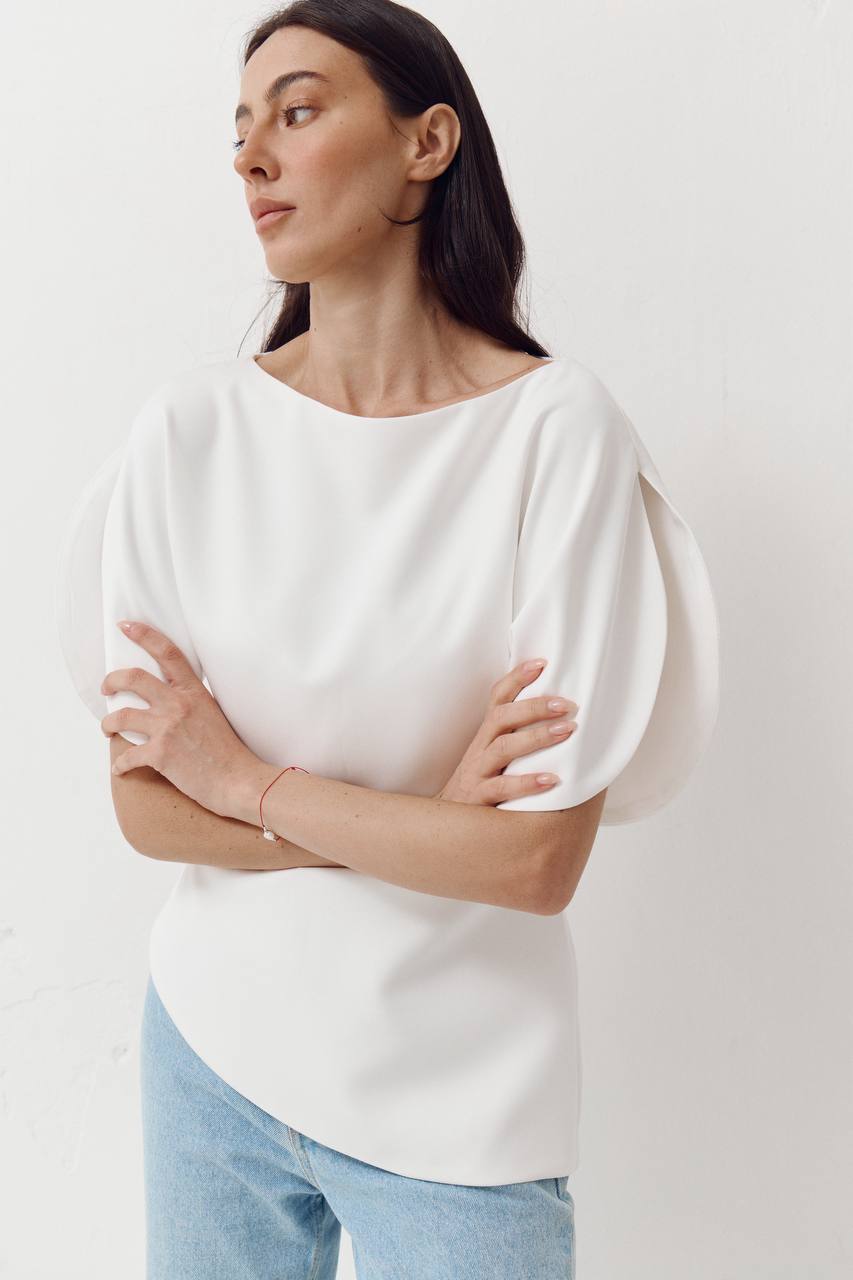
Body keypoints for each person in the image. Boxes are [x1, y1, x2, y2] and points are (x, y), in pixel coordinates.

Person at [55, 1, 720, 1276]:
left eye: (298, 111)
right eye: (239, 130)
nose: (252, 157)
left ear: (428, 142)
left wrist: (242, 780)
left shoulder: (555, 432)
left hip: (464, 1084)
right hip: (213, 1050)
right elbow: (146, 807)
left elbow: (533, 860)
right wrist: (426, 822)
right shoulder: (187, 433)